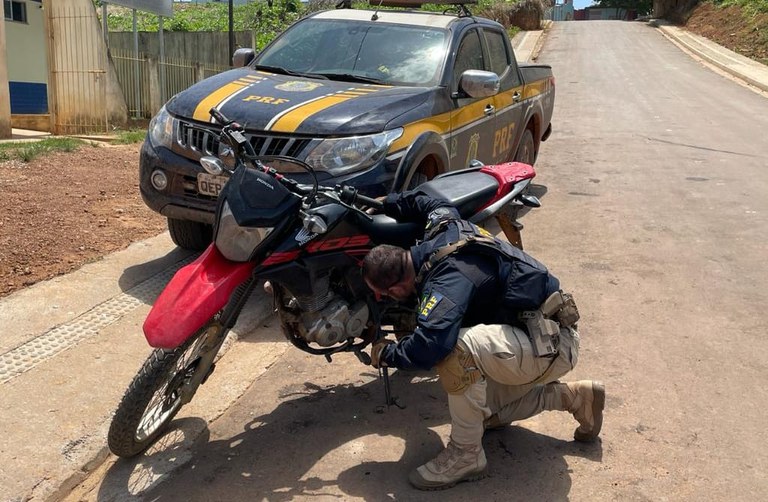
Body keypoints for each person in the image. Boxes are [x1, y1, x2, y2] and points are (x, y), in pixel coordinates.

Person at [362, 190, 605, 491]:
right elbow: (432, 201)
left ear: (398, 286)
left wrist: (389, 354)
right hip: (540, 335)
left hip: (550, 345)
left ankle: (466, 455)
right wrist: (388, 202)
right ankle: (575, 398)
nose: (385, 299)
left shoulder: (446, 280)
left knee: (454, 351)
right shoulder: (442, 229)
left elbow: (430, 346)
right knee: (483, 415)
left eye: (385, 294)